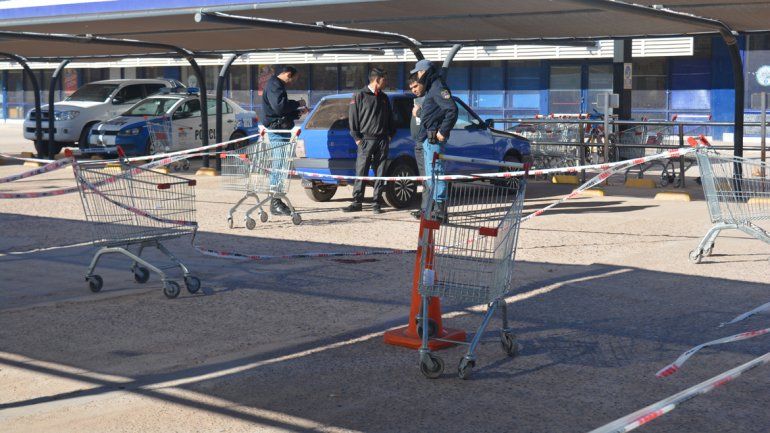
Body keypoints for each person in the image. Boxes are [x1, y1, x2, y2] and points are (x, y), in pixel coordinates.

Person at [344, 67, 396, 214]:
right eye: (384, 79)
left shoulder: (384, 98)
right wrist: (357, 139)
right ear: (376, 79)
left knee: (380, 172)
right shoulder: (360, 95)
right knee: (361, 171)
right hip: (366, 140)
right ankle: (357, 202)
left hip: (382, 141)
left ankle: (376, 202)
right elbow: (353, 118)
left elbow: (391, 119)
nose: (386, 82)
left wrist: (390, 135)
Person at [411, 59, 458, 221]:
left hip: (433, 139)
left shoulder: (438, 86)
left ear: (424, 72)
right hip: (427, 138)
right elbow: (432, 113)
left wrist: (443, 131)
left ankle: (440, 211)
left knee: (436, 173)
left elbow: (452, 109)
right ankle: (434, 209)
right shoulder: (432, 87)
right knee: (431, 175)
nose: (417, 75)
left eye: (418, 72)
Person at [262, 65, 309, 216]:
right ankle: (275, 202)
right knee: (279, 166)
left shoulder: (276, 85)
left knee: (281, 166)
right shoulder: (275, 85)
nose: (293, 82)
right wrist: (297, 103)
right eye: (294, 78)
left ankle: (276, 200)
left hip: (281, 129)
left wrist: (297, 112)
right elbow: (279, 107)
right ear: (288, 74)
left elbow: (282, 111)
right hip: (277, 131)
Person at [407, 73, 427, 219]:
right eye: (411, 88)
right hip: (418, 142)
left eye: (415, 86)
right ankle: (425, 209)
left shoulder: (430, 97)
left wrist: (418, 112)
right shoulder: (417, 100)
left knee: (430, 178)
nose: (414, 89)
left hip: (428, 143)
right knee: (424, 178)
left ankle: (431, 210)